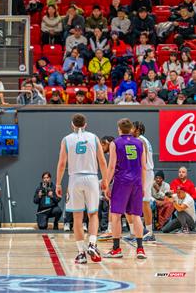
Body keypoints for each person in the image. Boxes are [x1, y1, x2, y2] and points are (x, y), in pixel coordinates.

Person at [56, 113, 108, 264]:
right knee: (93, 214)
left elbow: (61, 164)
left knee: (77, 217)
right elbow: (102, 161)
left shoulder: (66, 139)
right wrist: (104, 179)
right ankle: (92, 243)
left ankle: (81, 253)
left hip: (74, 179)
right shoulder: (94, 137)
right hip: (91, 178)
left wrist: (58, 183)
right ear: (85, 124)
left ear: (72, 125)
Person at [104, 118, 147, 259]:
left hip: (121, 182)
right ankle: (140, 249)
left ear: (119, 129)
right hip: (137, 182)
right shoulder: (140, 143)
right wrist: (144, 186)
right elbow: (144, 167)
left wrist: (106, 183)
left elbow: (111, 166)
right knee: (136, 216)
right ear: (131, 129)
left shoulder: (115, 143)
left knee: (116, 215)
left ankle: (116, 249)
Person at [124, 122, 155, 243]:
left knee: (133, 203)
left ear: (137, 129)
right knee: (145, 203)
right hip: (148, 172)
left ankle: (138, 232)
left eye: (132, 127)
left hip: (144, 173)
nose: (130, 130)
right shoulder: (144, 140)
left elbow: (141, 159)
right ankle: (148, 232)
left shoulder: (140, 141)